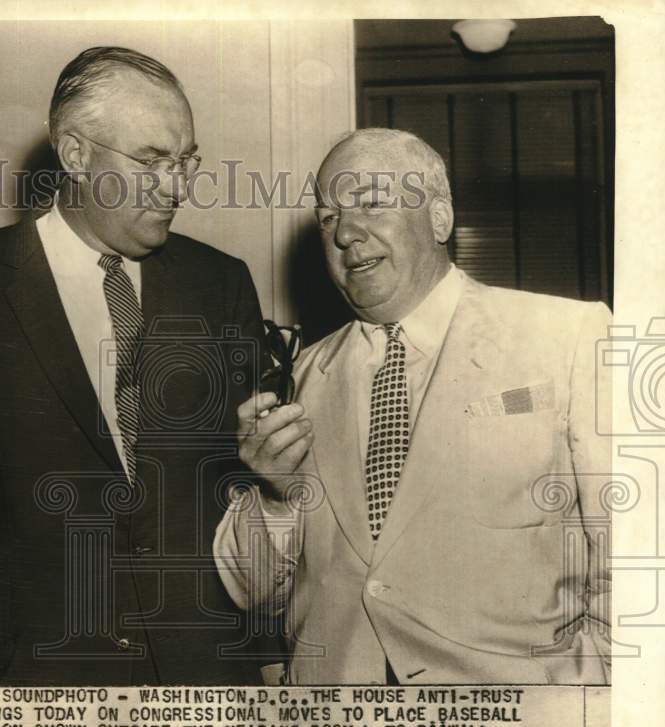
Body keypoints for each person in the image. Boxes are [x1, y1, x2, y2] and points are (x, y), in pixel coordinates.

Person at [0, 46, 275, 685]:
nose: (177, 187)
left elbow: (248, 489)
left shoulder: (220, 284)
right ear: (76, 155)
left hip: (204, 668)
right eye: (150, 161)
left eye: (184, 161)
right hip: (41, 675)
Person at [214, 128, 612, 685]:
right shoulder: (300, 379)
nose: (345, 233)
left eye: (371, 203)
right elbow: (249, 590)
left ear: (439, 219)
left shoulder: (570, 337)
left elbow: (637, 548)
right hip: (339, 722)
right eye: (328, 218)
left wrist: (597, 692)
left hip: (518, 718)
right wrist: (276, 497)